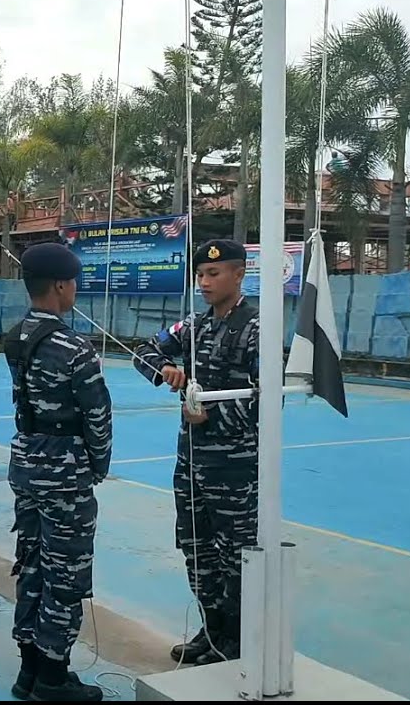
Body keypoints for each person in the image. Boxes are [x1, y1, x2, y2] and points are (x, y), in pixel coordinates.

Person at [132, 238, 260, 665]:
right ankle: (213, 628)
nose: (203, 282)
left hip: (233, 467)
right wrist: (164, 369)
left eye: (214, 274)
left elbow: (265, 401)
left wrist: (212, 417)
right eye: (200, 275)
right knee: (196, 549)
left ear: (238, 274)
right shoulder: (195, 326)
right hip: (190, 463)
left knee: (235, 555)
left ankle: (236, 638)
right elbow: (144, 350)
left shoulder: (256, 326)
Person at [3, 242, 111, 702]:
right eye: (75, 284)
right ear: (62, 286)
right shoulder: (74, 347)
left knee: (31, 565)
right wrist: (98, 465)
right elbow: (97, 416)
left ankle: (28, 669)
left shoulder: (15, 337)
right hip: (65, 471)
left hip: (26, 463)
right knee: (66, 572)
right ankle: (52, 675)